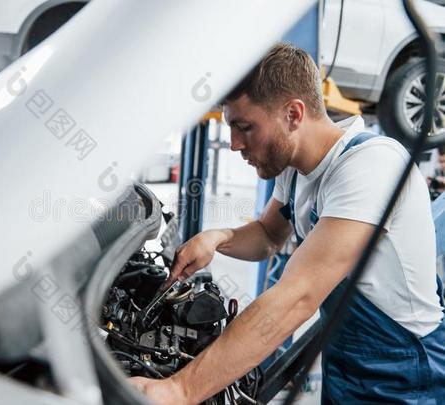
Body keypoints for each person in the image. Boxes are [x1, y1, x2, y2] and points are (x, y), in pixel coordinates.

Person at [130, 43, 445, 404]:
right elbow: (267, 235)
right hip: (348, 363)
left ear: (294, 114)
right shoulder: (296, 172)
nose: (234, 144)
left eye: (244, 127)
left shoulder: (371, 166)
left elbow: (298, 296)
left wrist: (180, 390)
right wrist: (218, 238)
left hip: (405, 376)